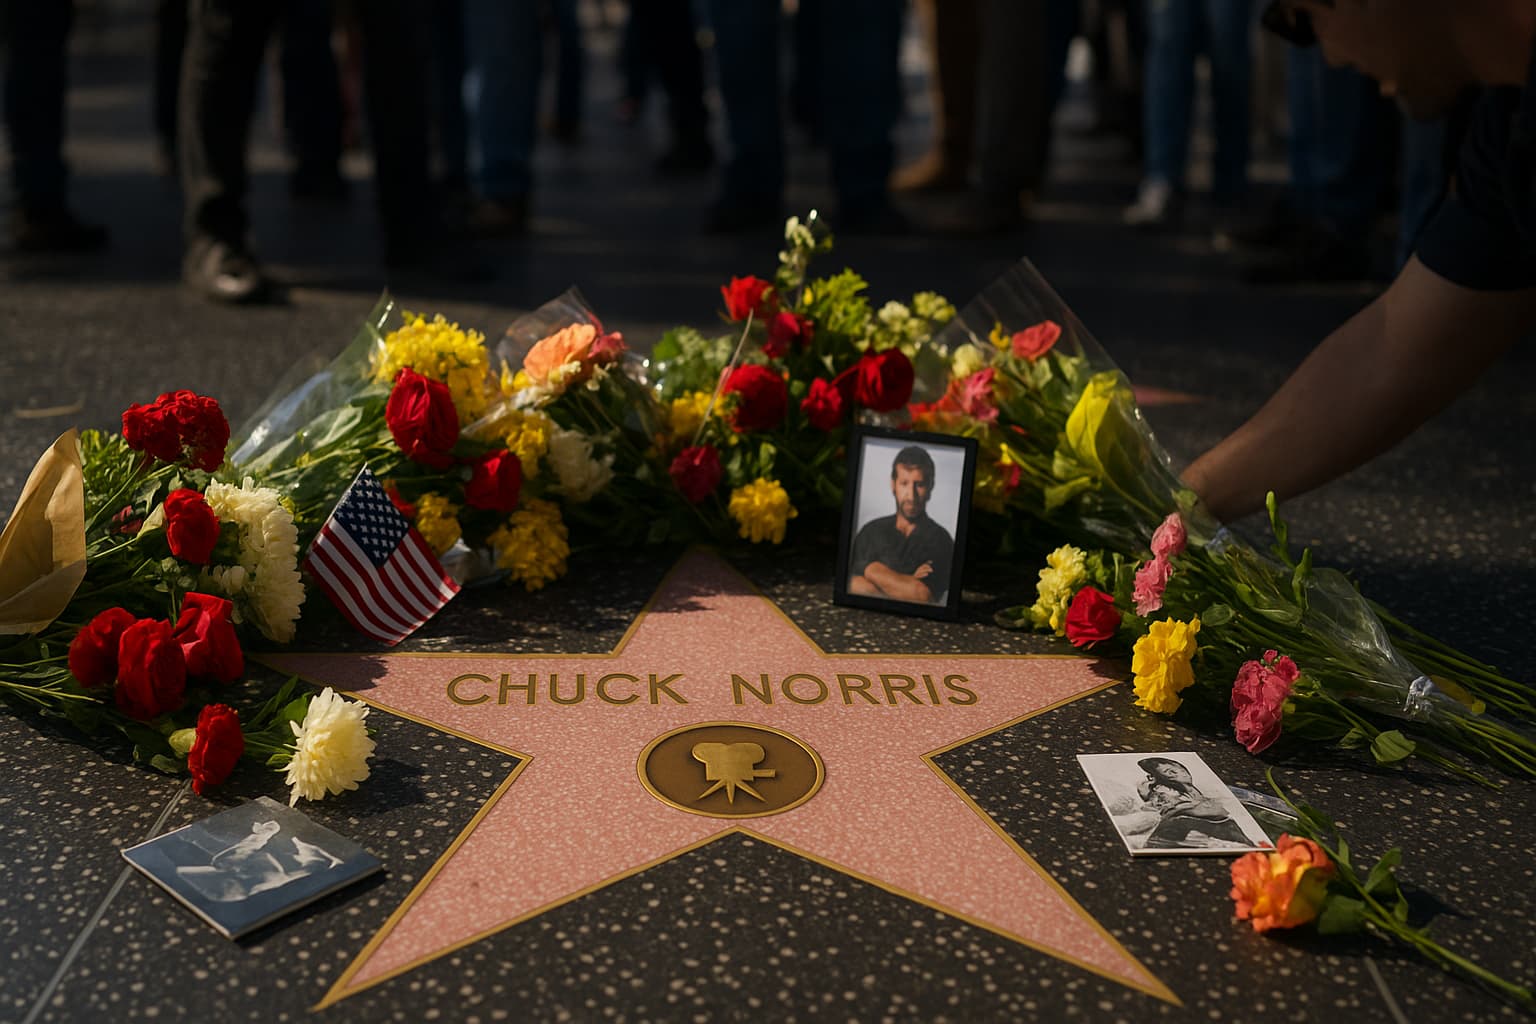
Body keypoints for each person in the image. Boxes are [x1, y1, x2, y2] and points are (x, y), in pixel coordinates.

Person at [1184, 0, 1536, 523]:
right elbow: (1395, 349)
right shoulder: (1508, 123)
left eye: (1304, 17)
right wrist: (1177, 506)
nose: (1329, 58)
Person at [848, 445, 954, 605]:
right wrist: (907, 582)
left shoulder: (941, 540)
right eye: (904, 483)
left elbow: (922, 596)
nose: (911, 495)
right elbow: (851, 585)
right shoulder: (870, 532)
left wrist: (871, 569)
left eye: (919, 484)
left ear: (930, 486)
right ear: (893, 485)